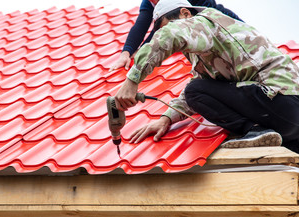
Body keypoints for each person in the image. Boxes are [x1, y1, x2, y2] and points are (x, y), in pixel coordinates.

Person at [114, 0, 299, 153]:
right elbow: (201, 88)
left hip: (280, 98)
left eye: (167, 26)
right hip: (287, 119)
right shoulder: (202, 50)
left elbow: (169, 36)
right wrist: (166, 119)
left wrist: (132, 80)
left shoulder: (205, 21)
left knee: (195, 91)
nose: (167, 32)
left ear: (186, 13)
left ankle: (254, 130)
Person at [109, 0, 242, 72]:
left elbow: (168, 30)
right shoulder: (149, 3)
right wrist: (126, 53)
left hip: (229, 31)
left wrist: (144, 48)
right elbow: (142, 25)